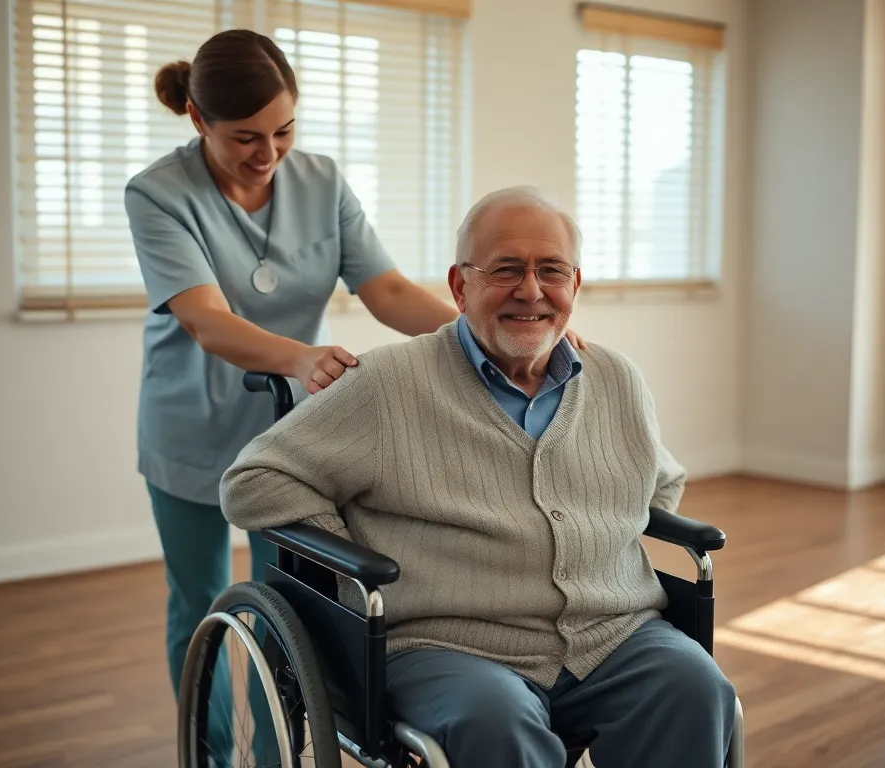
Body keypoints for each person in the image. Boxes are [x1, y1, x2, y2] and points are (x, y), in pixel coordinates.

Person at [124, 29, 586, 766]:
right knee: (201, 602)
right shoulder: (158, 193)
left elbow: (388, 289)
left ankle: (276, 754)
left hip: (294, 436)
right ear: (197, 120)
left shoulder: (322, 181)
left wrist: (498, 331)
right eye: (246, 137)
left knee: (287, 612)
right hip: (191, 421)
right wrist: (302, 356)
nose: (268, 153)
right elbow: (204, 318)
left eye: (284, 131)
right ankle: (210, 755)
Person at [219, 186, 738, 768]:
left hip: (611, 636)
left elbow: (658, 481)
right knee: (493, 723)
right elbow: (253, 479)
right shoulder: (388, 383)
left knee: (697, 689)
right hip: (451, 643)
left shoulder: (617, 378)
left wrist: (598, 539)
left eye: (552, 271)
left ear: (575, 284)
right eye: (507, 270)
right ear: (460, 285)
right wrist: (348, 546)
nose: (531, 291)